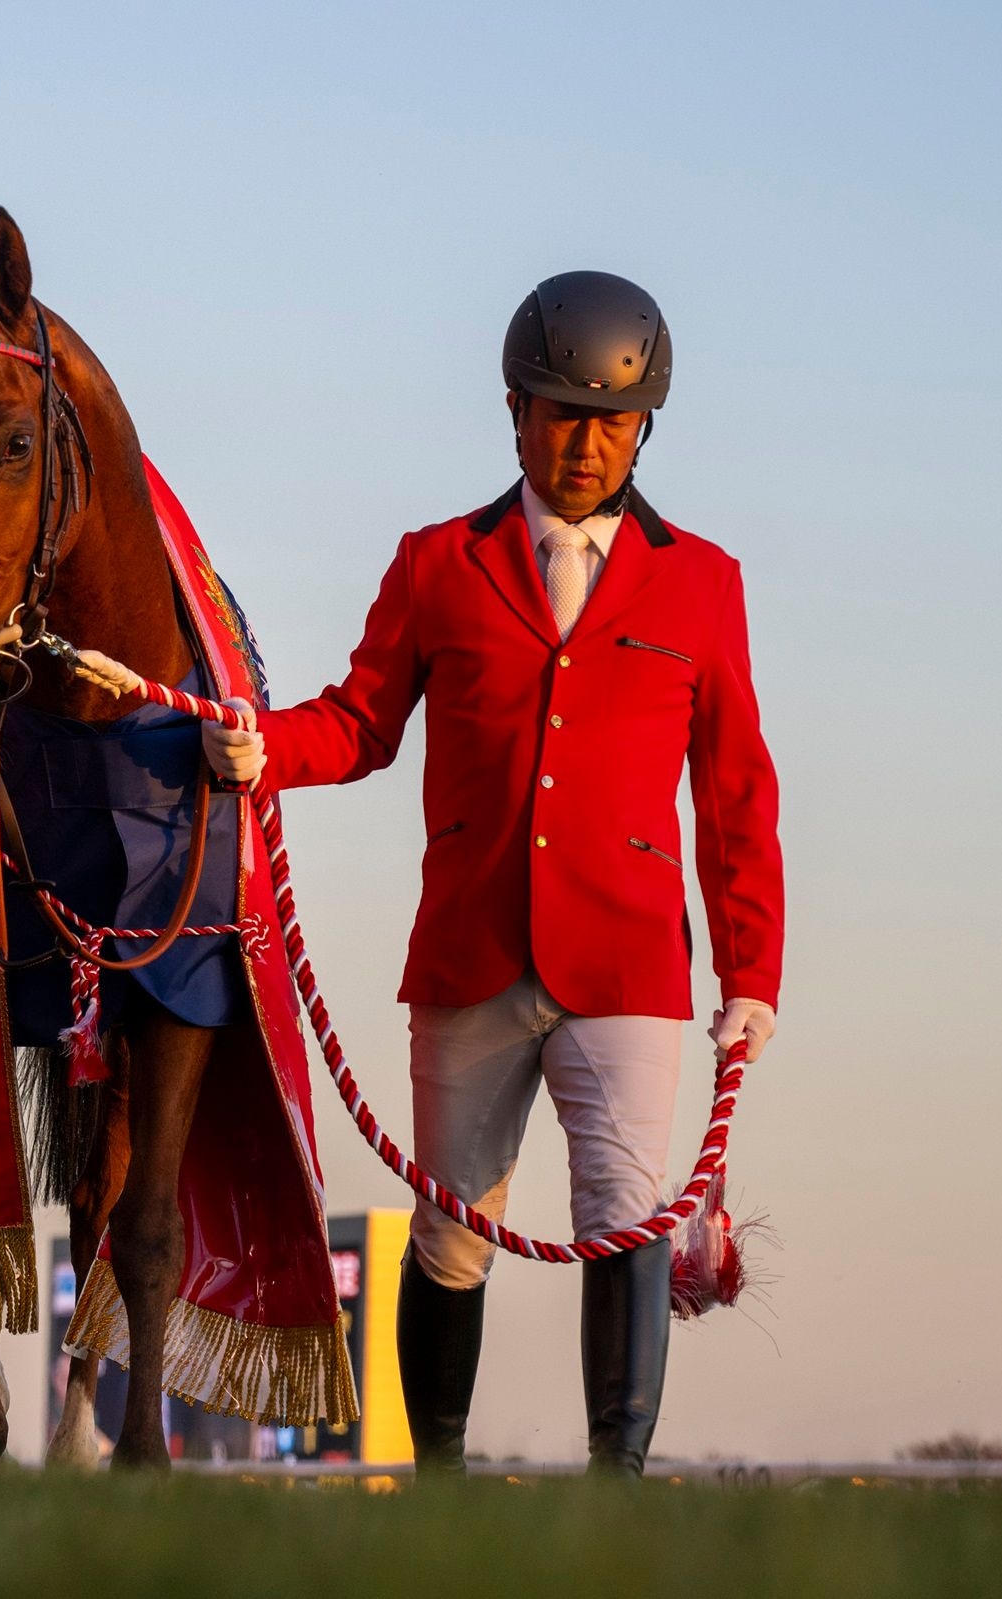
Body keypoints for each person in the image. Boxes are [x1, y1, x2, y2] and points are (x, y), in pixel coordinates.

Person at [201, 274, 783, 1478]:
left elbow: (734, 794)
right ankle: (444, 1485)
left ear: (647, 427)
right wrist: (264, 749)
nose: (587, 443)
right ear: (515, 411)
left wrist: (754, 973)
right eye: (565, 414)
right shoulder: (436, 563)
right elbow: (360, 723)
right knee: (453, 1238)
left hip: (629, 963)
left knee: (624, 1218)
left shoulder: (704, 581)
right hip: (470, 953)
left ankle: (615, 1491)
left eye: (614, 421)